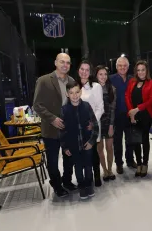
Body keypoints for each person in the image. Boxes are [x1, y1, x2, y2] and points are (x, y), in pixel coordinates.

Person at [33, 53, 77, 197]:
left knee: (69, 158)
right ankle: (57, 185)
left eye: (68, 63)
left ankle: (67, 181)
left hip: (68, 129)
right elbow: (37, 105)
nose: (65, 65)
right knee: (52, 161)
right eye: (62, 62)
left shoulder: (72, 81)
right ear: (55, 63)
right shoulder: (44, 80)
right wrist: (52, 119)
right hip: (51, 129)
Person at [60, 81, 99, 200]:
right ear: (67, 94)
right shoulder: (64, 109)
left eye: (77, 92)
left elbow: (95, 125)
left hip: (87, 144)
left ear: (81, 92)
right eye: (71, 93)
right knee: (77, 167)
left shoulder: (87, 106)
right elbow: (62, 131)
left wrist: (92, 141)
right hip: (73, 145)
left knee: (88, 166)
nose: (75, 95)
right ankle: (81, 186)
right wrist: (65, 147)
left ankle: (88, 185)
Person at [125, 60, 152, 177]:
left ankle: (145, 164)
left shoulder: (151, 83)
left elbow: (151, 100)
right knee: (135, 141)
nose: (141, 72)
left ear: (146, 71)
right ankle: (138, 163)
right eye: (138, 70)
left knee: (144, 140)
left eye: (143, 70)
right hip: (134, 115)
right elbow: (127, 96)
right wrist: (131, 113)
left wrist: (137, 109)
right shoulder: (132, 81)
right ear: (136, 71)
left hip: (145, 115)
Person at [77, 60, 104, 187]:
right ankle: (85, 178)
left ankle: (97, 176)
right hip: (78, 127)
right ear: (78, 70)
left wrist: (93, 123)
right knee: (82, 153)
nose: (84, 72)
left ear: (90, 72)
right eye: (82, 69)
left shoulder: (96, 86)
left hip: (91, 126)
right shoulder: (74, 86)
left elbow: (100, 107)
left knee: (93, 153)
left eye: (87, 70)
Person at [110, 56, 136, 174]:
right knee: (117, 141)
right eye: (120, 65)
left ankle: (130, 160)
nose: (122, 68)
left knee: (130, 139)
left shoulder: (133, 79)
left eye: (125, 65)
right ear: (116, 67)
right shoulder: (110, 79)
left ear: (128, 67)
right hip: (116, 115)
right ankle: (119, 163)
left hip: (130, 114)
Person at [95, 65, 116, 181]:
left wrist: (111, 125)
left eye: (105, 74)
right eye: (100, 74)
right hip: (97, 122)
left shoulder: (111, 88)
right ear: (96, 75)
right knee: (100, 148)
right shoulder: (93, 88)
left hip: (109, 122)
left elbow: (113, 108)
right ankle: (105, 171)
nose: (103, 77)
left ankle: (110, 169)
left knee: (109, 148)